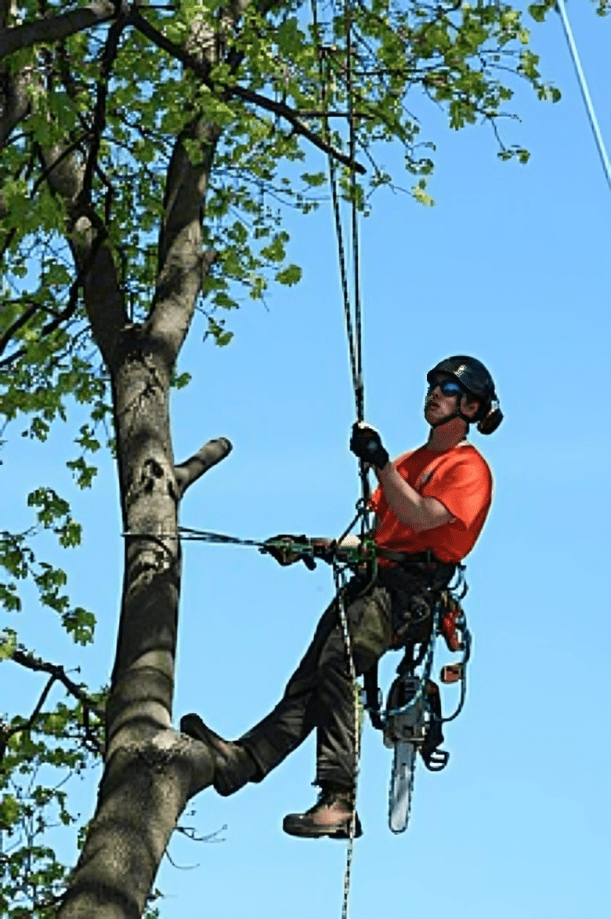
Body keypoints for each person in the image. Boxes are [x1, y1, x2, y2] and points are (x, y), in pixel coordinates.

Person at [180, 356, 503, 838]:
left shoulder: (468, 469)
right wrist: (313, 545)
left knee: (338, 661)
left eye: (449, 388)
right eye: (432, 382)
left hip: (407, 594)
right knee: (310, 680)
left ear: (472, 407)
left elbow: (419, 519)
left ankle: (339, 798)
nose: (434, 391)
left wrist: (378, 462)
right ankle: (243, 761)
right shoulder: (410, 463)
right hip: (374, 581)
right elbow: (381, 537)